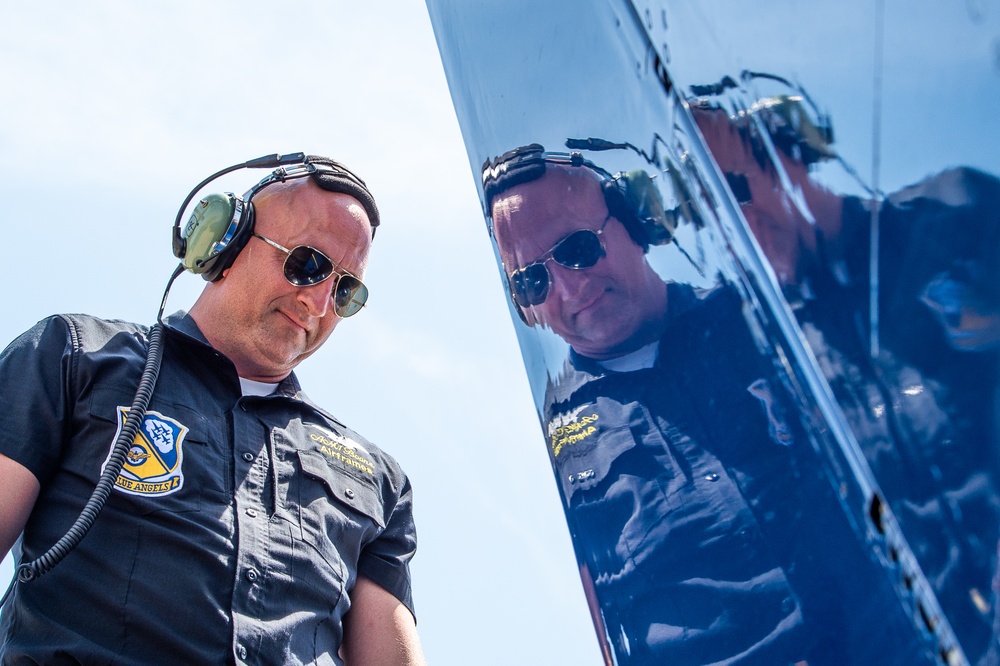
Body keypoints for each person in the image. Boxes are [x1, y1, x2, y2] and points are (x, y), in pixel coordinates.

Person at [483, 146, 933, 665]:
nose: (567, 285)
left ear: (636, 223)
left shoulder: (774, 326)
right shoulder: (546, 453)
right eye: (533, 280)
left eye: (578, 248)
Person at [0, 156, 426, 665]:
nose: (317, 301)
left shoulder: (380, 482)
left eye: (344, 289)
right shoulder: (75, 356)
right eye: (306, 262)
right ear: (226, 240)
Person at [693, 100, 1000, 663]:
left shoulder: (961, 213)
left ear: (788, 154)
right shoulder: (773, 351)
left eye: (735, 188)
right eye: (706, 208)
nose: (731, 222)